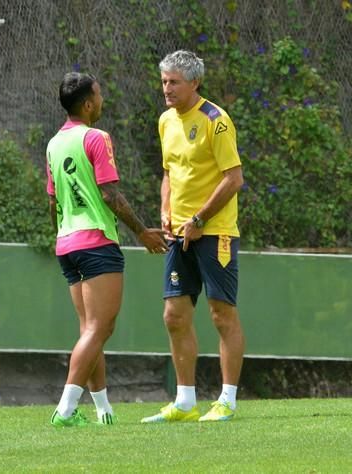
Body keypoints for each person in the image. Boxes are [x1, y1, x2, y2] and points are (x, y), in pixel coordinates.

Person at [46, 72, 168, 427]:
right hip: (97, 241)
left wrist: (63, 235)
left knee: (89, 328)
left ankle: (103, 409)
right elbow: (110, 194)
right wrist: (142, 232)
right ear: (87, 104)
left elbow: (52, 201)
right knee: (100, 328)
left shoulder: (54, 143)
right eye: (99, 96)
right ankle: (65, 410)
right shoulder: (96, 138)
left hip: (66, 242)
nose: (102, 101)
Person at [141, 50, 245, 423]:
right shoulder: (166, 120)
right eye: (164, 81)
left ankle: (227, 400)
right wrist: (166, 211)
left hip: (213, 231)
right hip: (178, 234)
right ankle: (185, 401)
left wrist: (200, 217)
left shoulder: (216, 121)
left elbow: (234, 178)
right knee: (174, 315)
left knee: (221, 315)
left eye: (174, 82)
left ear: (194, 83)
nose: (167, 89)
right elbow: (169, 172)